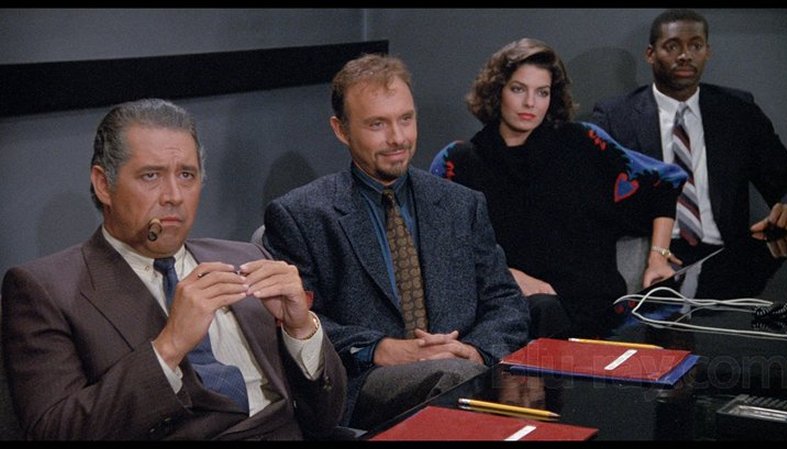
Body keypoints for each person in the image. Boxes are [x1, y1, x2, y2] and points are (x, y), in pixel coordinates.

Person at [1, 98, 346, 440]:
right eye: (151, 176)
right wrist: (169, 346)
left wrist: (301, 330)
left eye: (186, 175)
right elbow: (56, 430)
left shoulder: (245, 257)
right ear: (104, 184)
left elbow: (326, 417)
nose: (174, 196)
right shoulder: (45, 290)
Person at [262, 54, 530, 430]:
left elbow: (507, 303)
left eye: (406, 119)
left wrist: (472, 351)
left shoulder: (461, 204)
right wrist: (379, 348)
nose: (398, 138)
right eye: (377, 124)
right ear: (341, 130)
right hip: (365, 382)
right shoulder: (302, 215)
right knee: (454, 380)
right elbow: (295, 322)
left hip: (465, 368)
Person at [430, 38, 687, 336]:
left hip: (597, 312)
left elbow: (662, 183)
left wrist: (658, 256)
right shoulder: (458, 161)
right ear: (497, 90)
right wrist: (506, 275)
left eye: (542, 92)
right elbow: (439, 248)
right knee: (542, 310)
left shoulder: (583, 142)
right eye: (518, 89)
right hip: (513, 313)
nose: (530, 103)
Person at [592, 8, 787, 265]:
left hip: (727, 258)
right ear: (650, 54)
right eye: (672, 46)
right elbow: (591, 197)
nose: (685, 56)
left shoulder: (739, 111)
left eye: (696, 46)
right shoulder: (615, 116)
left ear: (707, 52)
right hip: (648, 258)